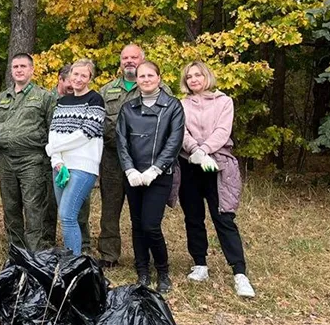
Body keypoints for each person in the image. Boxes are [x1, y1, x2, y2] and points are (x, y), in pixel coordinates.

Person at [179, 61, 255, 297]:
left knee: (223, 218)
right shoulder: (181, 104)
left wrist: (205, 151)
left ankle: (239, 272)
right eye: (189, 76)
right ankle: (200, 264)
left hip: (217, 164)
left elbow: (223, 131)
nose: (194, 79)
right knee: (193, 216)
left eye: (198, 75)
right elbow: (181, 132)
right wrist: (195, 151)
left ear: (207, 77)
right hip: (189, 164)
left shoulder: (224, 101)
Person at [98, 44, 171, 268]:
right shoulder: (107, 90)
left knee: (142, 210)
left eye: (134, 57)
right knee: (110, 208)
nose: (129, 61)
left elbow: (168, 122)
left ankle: (146, 254)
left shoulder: (159, 88)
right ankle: (109, 255)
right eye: (125, 58)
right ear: (120, 62)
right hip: (112, 158)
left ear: (143, 59)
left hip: (144, 159)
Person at [116, 61, 184, 294]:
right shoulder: (128, 108)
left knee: (151, 225)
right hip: (134, 176)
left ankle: (163, 271)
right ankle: (142, 271)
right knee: (137, 224)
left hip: (159, 175)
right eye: (141, 76)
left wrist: (155, 169)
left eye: (150, 75)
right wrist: (129, 169)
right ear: (136, 80)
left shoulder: (173, 106)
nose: (145, 79)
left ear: (159, 78)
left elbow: (174, 141)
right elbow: (121, 141)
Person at [0, 53, 58, 251]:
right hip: (6, 160)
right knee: (10, 207)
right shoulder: (1, 98)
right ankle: (17, 251)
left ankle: (35, 253)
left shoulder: (45, 97)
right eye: (15, 67)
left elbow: (53, 129)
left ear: (32, 70)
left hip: (32, 160)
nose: (19, 70)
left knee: (33, 208)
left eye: (23, 66)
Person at [45, 59, 105, 256]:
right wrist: (56, 160)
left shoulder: (95, 100)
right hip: (60, 166)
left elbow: (86, 133)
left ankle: (74, 262)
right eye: (75, 74)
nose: (78, 79)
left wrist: (54, 148)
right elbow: (53, 132)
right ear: (69, 75)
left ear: (90, 78)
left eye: (84, 75)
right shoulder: (62, 102)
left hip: (83, 167)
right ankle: (71, 258)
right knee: (66, 217)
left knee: (67, 215)